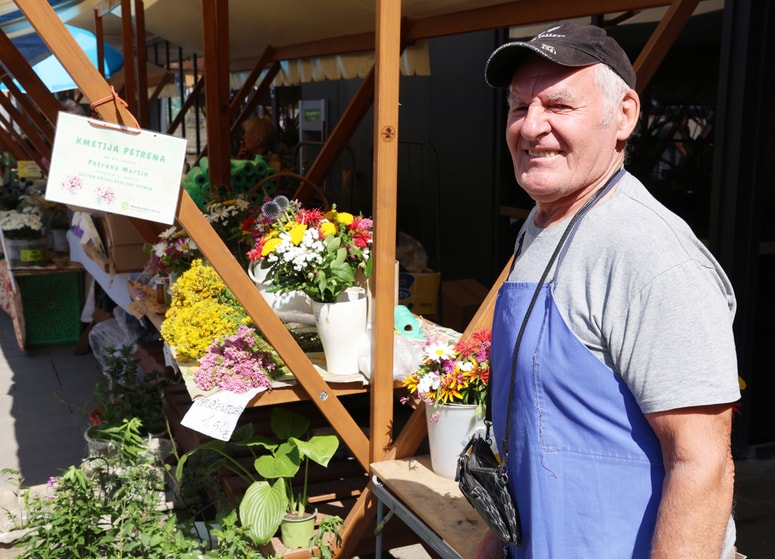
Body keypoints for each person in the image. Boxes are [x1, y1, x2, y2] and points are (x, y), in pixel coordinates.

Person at [476, 23, 741, 559]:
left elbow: (703, 465)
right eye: (518, 107)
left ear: (623, 116)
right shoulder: (541, 225)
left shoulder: (650, 254)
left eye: (558, 105)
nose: (531, 127)